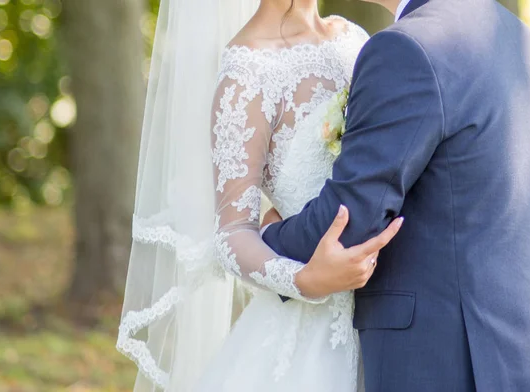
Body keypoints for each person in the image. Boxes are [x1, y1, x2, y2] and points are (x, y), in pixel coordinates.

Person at [262, 0, 530, 390]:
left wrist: (265, 237)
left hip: (448, 361)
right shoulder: (520, 38)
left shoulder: (406, 50)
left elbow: (346, 223)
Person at [118, 0, 400, 390]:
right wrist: (305, 279)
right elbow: (232, 233)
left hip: (395, 304)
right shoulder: (247, 70)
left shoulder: (352, 38)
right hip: (312, 337)